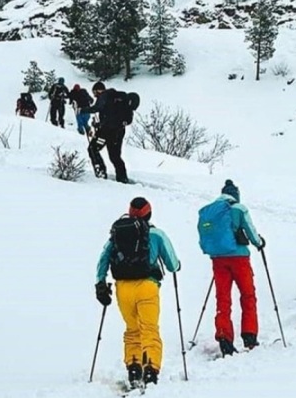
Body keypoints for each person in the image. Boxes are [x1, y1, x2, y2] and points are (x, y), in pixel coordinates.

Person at [95, 197, 181, 389]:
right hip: (147, 287)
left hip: (123, 288)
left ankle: (134, 370)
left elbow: (104, 258)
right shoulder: (156, 234)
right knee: (149, 330)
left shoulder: (117, 234)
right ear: (149, 214)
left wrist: (100, 283)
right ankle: (150, 371)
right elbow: (172, 264)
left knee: (132, 329)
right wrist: (177, 266)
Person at [199, 180, 265, 357]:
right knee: (247, 295)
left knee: (223, 298)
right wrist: (259, 242)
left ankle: (224, 336)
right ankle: (249, 335)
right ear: (236, 195)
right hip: (239, 258)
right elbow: (251, 233)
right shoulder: (238, 209)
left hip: (218, 259)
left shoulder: (211, 210)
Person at [80, 82, 128, 182]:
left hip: (106, 132)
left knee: (93, 149)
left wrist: (84, 110)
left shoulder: (104, 96)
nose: (94, 95)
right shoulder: (115, 97)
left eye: (94, 92)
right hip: (119, 131)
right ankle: (122, 177)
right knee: (115, 156)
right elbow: (110, 116)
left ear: (99, 90)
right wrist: (98, 124)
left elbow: (97, 108)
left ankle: (101, 172)